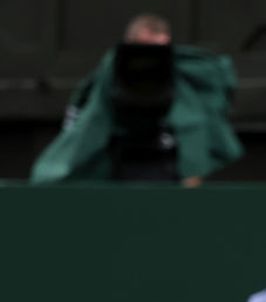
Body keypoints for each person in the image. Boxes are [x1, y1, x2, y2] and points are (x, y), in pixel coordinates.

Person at [29, 13, 243, 185]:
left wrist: (192, 176)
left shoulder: (182, 79)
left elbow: (194, 128)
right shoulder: (108, 77)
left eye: (157, 51)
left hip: (167, 167)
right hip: (117, 166)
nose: (147, 62)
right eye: (142, 50)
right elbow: (85, 124)